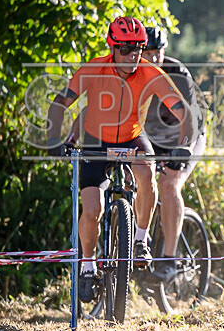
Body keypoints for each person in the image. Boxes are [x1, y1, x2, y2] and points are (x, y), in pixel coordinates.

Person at [46, 16, 193, 303]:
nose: (133, 54)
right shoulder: (93, 69)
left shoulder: (150, 72)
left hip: (131, 136)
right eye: (125, 49)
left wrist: (184, 145)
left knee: (147, 174)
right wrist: (54, 139)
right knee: (92, 210)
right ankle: (88, 266)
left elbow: (184, 112)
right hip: (95, 140)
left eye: (137, 48)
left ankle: (140, 239)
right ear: (112, 48)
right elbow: (60, 103)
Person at [141, 26, 207, 284]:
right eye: (147, 52)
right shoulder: (130, 72)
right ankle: (137, 236)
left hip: (185, 136)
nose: (152, 58)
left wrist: (183, 148)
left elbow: (188, 118)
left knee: (169, 184)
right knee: (135, 179)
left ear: (164, 51)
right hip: (151, 139)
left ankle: (169, 258)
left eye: (157, 53)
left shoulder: (177, 73)